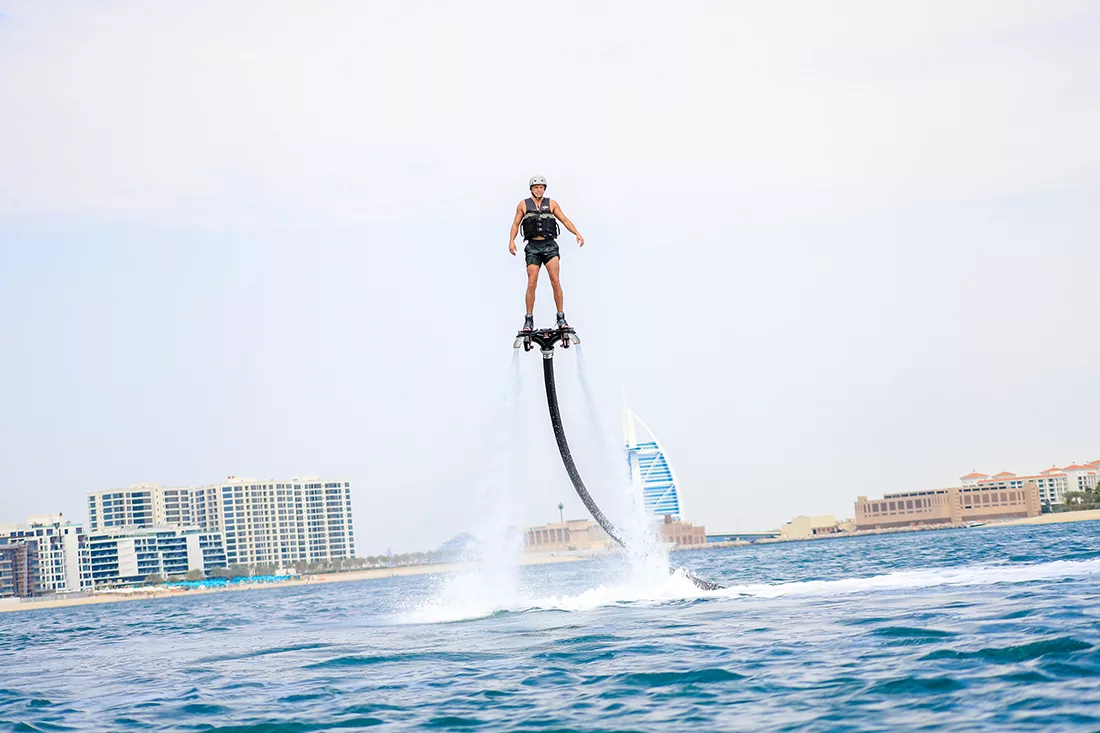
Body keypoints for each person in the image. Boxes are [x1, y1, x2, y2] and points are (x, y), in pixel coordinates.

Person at [508, 175, 585, 331]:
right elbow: (516, 223)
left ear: (544, 189)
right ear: (531, 189)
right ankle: (529, 319)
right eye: (536, 187)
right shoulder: (523, 205)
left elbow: (564, 220)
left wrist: (577, 233)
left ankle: (561, 317)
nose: (538, 189)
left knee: (555, 281)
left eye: (541, 187)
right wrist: (511, 241)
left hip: (549, 246)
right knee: (532, 283)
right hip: (533, 247)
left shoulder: (552, 203)